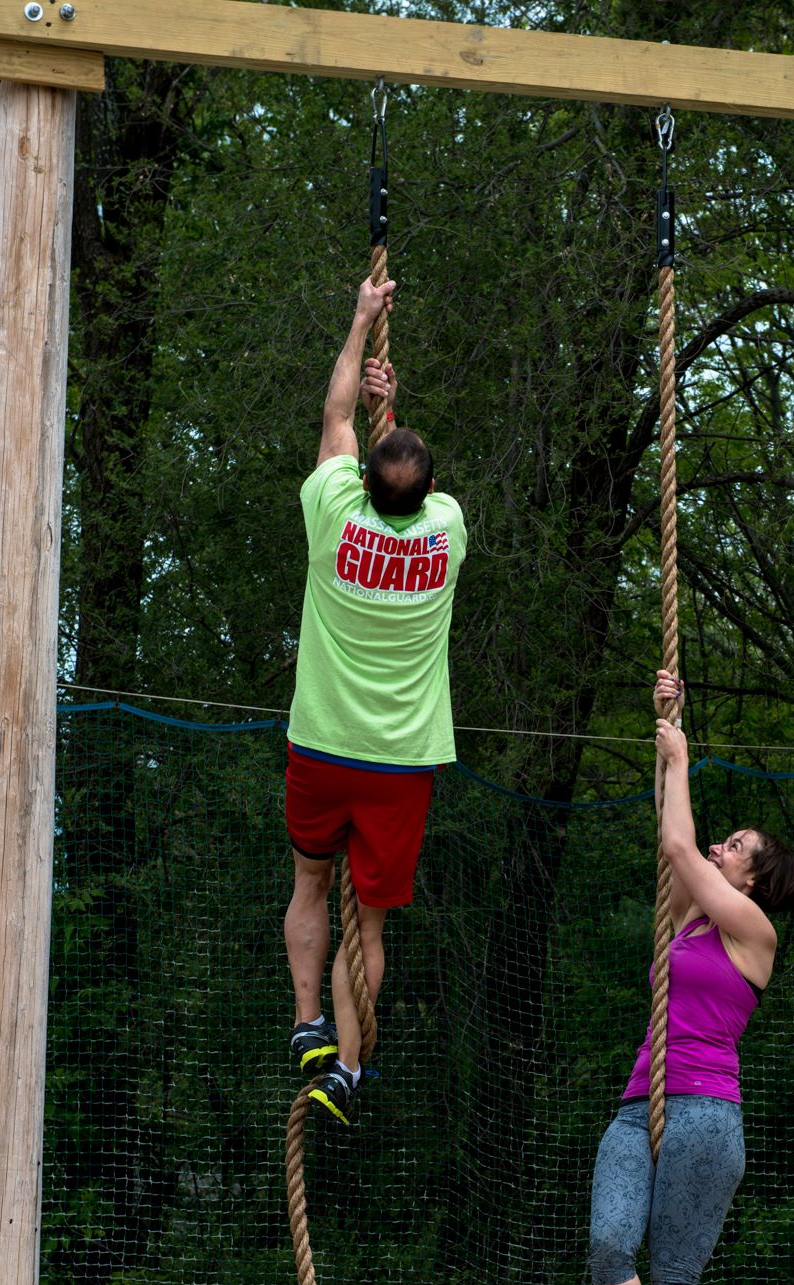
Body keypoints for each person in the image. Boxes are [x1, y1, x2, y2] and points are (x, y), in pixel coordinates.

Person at [592, 670, 794, 1285]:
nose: (719, 848)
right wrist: (666, 719)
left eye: (736, 849)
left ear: (752, 881)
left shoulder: (750, 931)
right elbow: (674, 841)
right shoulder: (689, 911)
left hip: (705, 1115)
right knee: (610, 1246)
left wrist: (681, 756)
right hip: (637, 1105)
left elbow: (683, 847)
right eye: (724, 841)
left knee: (675, 1280)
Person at [284, 274, 467, 1126]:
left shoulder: (331, 510)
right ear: (427, 500)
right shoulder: (447, 531)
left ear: (360, 483)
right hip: (400, 763)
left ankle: (305, 1022)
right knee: (373, 933)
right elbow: (393, 475)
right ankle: (349, 1070)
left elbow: (334, 426)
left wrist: (361, 323)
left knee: (310, 887)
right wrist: (387, 420)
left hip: (321, 746)